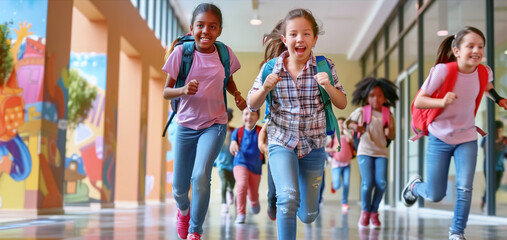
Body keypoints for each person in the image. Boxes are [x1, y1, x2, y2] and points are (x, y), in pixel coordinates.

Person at [247, 8, 347, 239]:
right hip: (281, 141)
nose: (299, 39)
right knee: (287, 197)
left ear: (314, 39)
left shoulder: (324, 66)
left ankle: (306, 210)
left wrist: (328, 87)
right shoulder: (271, 68)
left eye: (306, 34)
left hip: (314, 145)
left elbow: (341, 103)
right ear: (284, 39)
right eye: (293, 34)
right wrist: (264, 88)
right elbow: (252, 104)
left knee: (309, 214)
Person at [401, 26, 507, 240]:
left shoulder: (483, 71)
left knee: (464, 187)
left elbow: (487, 87)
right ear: (457, 50)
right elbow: (420, 101)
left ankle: (456, 232)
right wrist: (441, 101)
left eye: (480, 46)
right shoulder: (443, 71)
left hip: (466, 137)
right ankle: (415, 186)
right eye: (470, 46)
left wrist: (500, 99)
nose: (476, 50)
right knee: (435, 194)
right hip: (439, 137)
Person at [161, 3, 247, 240]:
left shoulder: (224, 53)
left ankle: (195, 231)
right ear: (192, 28)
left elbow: (227, 79)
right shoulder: (181, 54)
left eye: (212, 26)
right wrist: (183, 90)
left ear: (219, 30)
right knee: (179, 189)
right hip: (185, 125)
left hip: (214, 125)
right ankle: (184, 211)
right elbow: (166, 92)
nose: (205, 31)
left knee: (200, 175)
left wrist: (237, 94)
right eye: (200, 26)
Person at [344, 77, 397, 229]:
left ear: (385, 97)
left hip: (381, 152)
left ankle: (374, 211)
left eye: (379, 95)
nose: (376, 98)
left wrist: (389, 131)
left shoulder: (388, 114)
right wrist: (356, 126)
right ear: (366, 97)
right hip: (365, 151)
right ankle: (365, 212)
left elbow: (392, 136)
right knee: (367, 183)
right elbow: (347, 124)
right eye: (372, 95)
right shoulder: (362, 111)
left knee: (381, 183)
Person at [229, 109, 263, 224]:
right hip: (240, 163)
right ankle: (241, 213)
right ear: (242, 116)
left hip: (255, 167)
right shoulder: (238, 132)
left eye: (253, 114)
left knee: (253, 194)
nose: (249, 116)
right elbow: (233, 142)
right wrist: (233, 144)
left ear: (258, 116)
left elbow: (265, 144)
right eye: (246, 114)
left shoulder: (261, 131)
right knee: (242, 185)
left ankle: (254, 201)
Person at [326, 117, 354, 212]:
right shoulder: (332, 136)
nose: (341, 125)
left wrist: (347, 134)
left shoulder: (347, 136)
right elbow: (324, 148)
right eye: (339, 124)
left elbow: (351, 143)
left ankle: (344, 202)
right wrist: (333, 149)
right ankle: (334, 184)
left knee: (346, 184)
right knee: (337, 185)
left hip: (347, 164)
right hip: (336, 164)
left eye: (342, 123)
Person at [480, 120, 507, 211]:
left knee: (496, 186)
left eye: (500, 131)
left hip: (499, 167)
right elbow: (485, 151)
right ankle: (486, 203)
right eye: (496, 131)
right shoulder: (487, 138)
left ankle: (485, 200)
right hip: (488, 167)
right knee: (490, 185)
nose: (498, 133)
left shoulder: (505, 140)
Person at [214, 108, 236, 215]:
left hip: (231, 162)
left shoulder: (233, 131)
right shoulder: (218, 131)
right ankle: (223, 203)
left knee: (232, 182)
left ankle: (230, 191)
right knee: (224, 181)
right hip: (221, 162)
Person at [258, 119, 277, 221]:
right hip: (273, 157)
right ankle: (271, 202)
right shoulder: (271, 114)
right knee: (272, 193)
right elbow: (263, 133)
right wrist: (264, 146)